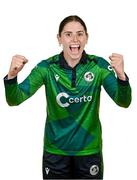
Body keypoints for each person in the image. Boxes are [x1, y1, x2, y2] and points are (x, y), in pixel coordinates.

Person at [4, 15, 132, 179]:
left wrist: (121, 75)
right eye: (68, 34)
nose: (75, 39)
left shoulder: (99, 66)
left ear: (86, 38)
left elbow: (124, 102)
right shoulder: (46, 68)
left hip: (89, 151)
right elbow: (14, 99)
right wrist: (12, 76)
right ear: (59, 39)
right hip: (55, 152)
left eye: (80, 34)